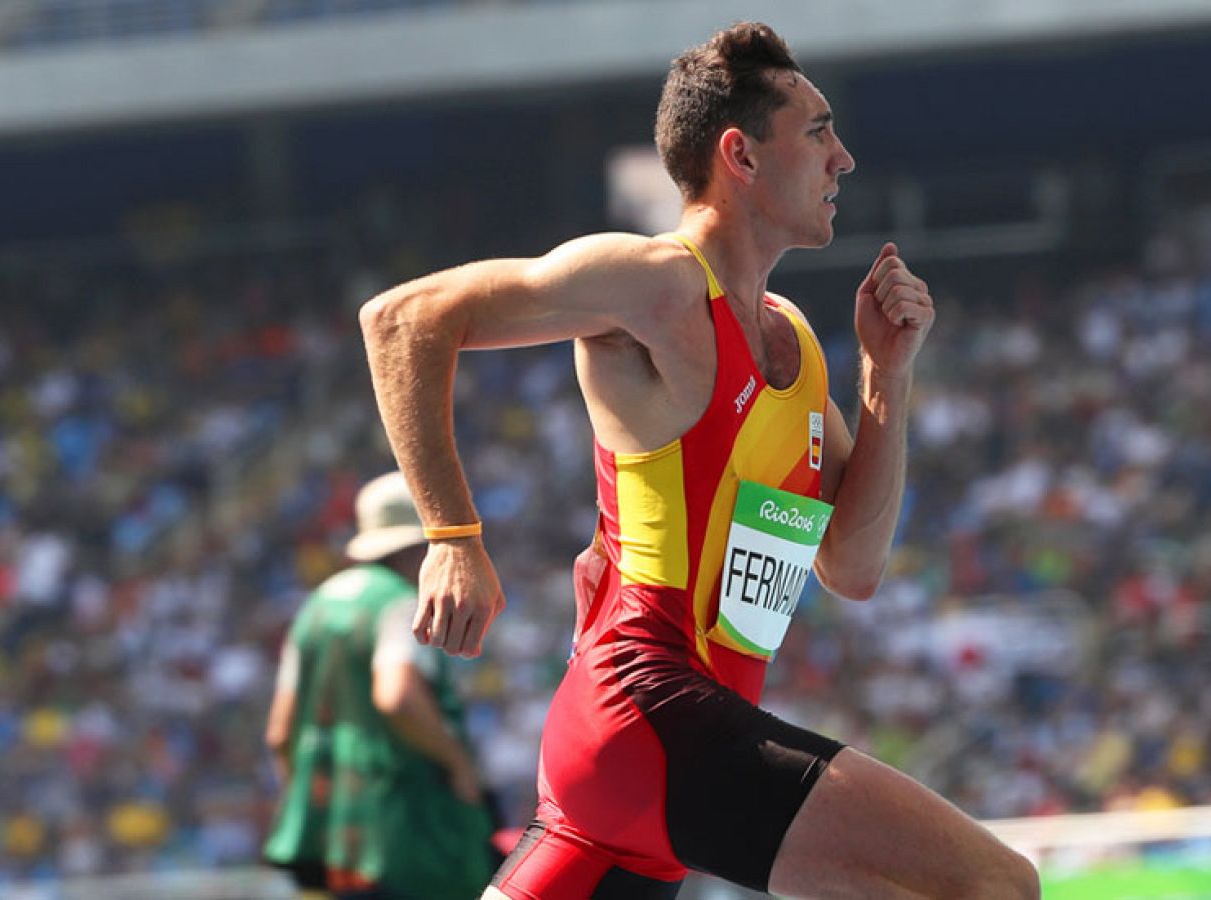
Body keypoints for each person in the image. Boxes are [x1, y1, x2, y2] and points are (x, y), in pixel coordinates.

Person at [359, 21, 1040, 900]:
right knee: (994, 887)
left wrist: (887, 377)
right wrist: (452, 534)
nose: (845, 159)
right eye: (819, 130)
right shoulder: (657, 285)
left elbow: (854, 566)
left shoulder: (792, 343)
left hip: (644, 767)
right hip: (649, 707)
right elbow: (404, 319)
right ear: (741, 156)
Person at [263, 471, 499, 899]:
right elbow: (396, 697)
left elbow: (280, 732)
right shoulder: (399, 602)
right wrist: (457, 763)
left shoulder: (314, 608)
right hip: (406, 836)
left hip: (333, 844)